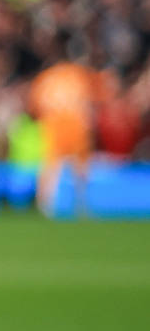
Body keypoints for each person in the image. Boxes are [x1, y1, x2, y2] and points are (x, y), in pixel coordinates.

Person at [29, 46, 111, 218]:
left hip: (54, 125)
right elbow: (96, 99)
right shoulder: (79, 74)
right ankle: (81, 204)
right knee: (80, 169)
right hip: (77, 126)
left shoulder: (46, 78)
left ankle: (45, 206)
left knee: (51, 166)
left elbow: (36, 106)